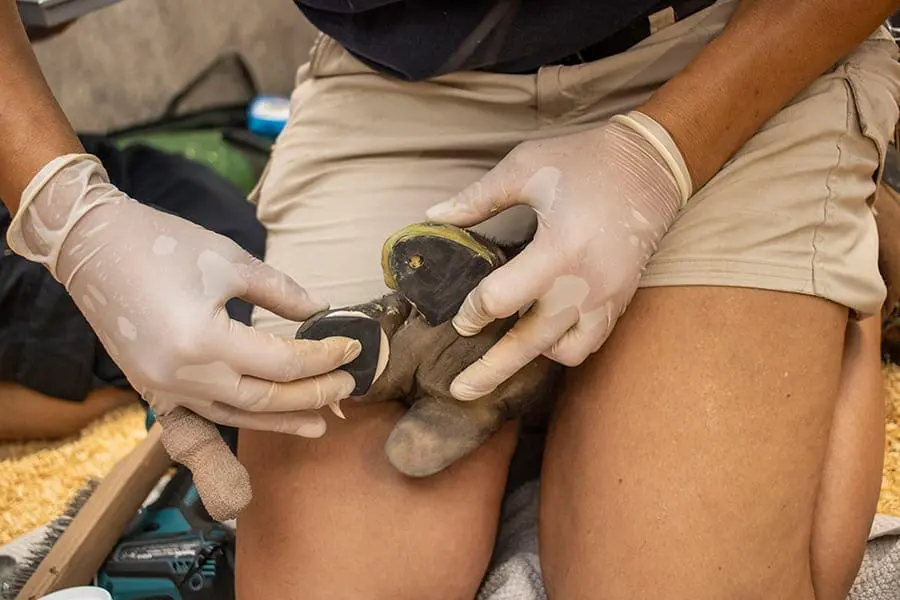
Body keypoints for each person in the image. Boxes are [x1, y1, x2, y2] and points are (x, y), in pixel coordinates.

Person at [2, 0, 899, 598]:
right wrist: (71, 219)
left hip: (728, 44)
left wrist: (659, 158)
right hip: (397, 87)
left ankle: (849, 286)